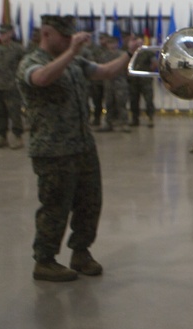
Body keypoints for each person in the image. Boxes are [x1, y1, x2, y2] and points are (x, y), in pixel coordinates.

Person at [17, 14, 141, 282]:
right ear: (47, 34)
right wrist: (71, 51)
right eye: (66, 37)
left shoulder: (74, 61)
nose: (71, 41)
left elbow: (105, 71)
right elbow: (40, 79)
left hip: (83, 146)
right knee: (55, 207)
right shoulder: (31, 62)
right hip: (52, 150)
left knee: (89, 203)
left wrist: (129, 54)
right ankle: (45, 261)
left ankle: (81, 253)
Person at [0, 23, 26, 150]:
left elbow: (24, 65)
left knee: (14, 112)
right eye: (1, 33)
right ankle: (2, 137)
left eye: (5, 33)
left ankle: (18, 137)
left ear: (11, 33)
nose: (3, 35)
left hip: (12, 86)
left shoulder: (18, 48)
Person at [98, 34, 131, 133]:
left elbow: (127, 69)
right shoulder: (103, 55)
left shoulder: (122, 55)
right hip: (108, 83)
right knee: (109, 104)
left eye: (114, 43)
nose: (111, 45)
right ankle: (108, 123)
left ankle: (124, 123)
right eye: (109, 43)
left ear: (117, 44)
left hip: (120, 83)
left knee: (121, 103)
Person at [127, 42, 157, 128]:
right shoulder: (132, 53)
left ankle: (150, 119)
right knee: (134, 101)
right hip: (133, 81)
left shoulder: (148, 52)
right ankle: (134, 119)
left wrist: (148, 71)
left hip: (145, 81)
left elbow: (154, 63)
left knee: (148, 100)